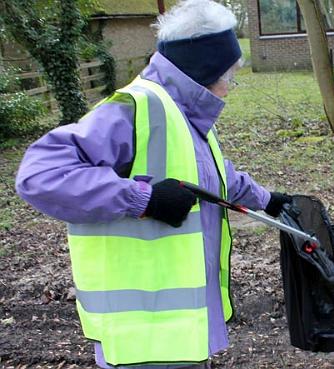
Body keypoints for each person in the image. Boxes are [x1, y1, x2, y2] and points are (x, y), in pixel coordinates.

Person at [15, 1, 292, 368]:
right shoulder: (136, 107)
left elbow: (215, 177)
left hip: (177, 328)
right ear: (205, 68)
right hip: (143, 334)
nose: (232, 86)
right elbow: (39, 176)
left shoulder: (185, 115)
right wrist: (144, 199)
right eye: (231, 74)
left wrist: (269, 200)